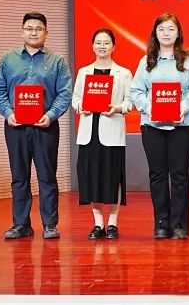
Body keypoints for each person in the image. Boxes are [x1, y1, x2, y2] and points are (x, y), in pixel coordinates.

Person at [0, 12, 73, 240]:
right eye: (29, 28)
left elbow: (65, 93)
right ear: (22, 32)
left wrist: (51, 115)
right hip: (15, 126)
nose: (34, 32)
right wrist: (8, 113)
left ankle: (50, 224)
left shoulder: (57, 61)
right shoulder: (8, 59)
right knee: (19, 176)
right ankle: (21, 224)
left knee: (47, 176)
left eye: (38, 29)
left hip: (45, 126)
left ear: (46, 32)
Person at [130, 12, 189, 240]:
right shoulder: (146, 61)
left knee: (179, 175)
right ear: (155, 33)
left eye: (171, 29)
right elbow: (136, 91)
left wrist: (183, 106)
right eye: (161, 29)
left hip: (182, 125)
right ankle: (161, 223)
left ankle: (180, 224)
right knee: (157, 175)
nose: (166, 33)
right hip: (152, 126)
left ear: (178, 33)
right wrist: (149, 107)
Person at [71, 28, 133, 240]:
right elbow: (75, 98)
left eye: (106, 43)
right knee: (92, 178)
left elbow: (130, 101)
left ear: (113, 46)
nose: (102, 46)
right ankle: (98, 223)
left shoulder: (123, 73)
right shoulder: (84, 72)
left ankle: (113, 223)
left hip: (112, 131)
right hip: (89, 132)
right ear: (92, 46)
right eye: (98, 42)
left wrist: (117, 108)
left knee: (112, 178)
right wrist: (81, 106)